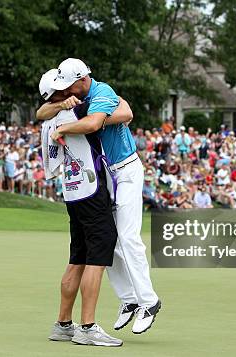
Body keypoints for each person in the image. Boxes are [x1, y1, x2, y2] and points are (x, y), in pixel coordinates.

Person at [37, 58, 161, 335]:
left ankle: (149, 302)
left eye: (70, 86)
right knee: (111, 240)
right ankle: (129, 299)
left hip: (126, 169)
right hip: (107, 176)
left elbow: (95, 123)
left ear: (82, 80)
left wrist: (63, 127)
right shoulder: (75, 99)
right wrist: (62, 106)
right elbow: (41, 111)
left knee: (128, 238)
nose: (68, 91)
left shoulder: (102, 92)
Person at [39, 69, 130, 347]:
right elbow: (124, 112)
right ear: (61, 92)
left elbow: (41, 111)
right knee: (97, 257)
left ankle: (63, 324)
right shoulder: (78, 111)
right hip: (91, 188)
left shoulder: (51, 116)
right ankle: (87, 327)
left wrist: (57, 104)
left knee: (77, 256)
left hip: (73, 191)